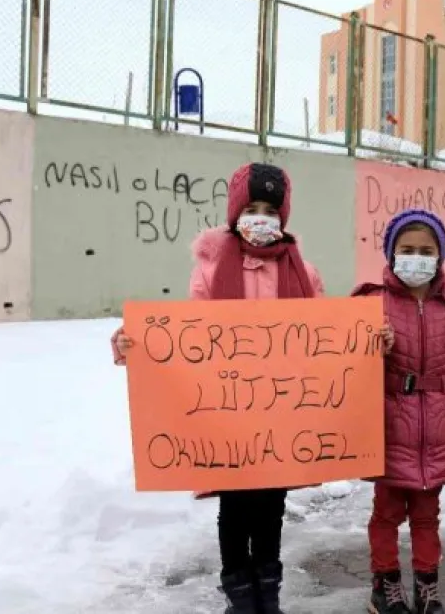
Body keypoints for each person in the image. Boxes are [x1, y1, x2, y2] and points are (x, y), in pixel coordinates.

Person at [110, 162, 325, 614]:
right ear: (235, 213)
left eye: (270, 209)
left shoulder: (305, 273)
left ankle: (268, 591)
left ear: (283, 216)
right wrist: (139, 345)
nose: (261, 218)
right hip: (228, 417)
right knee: (235, 509)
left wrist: (366, 344)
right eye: (252, 208)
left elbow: (325, 340)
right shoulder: (209, 271)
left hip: (282, 415)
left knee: (271, 507)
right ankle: (240, 595)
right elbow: (191, 340)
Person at [352, 208, 445, 614]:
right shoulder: (370, 301)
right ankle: (384, 586)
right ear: (390, 253)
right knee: (385, 514)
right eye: (407, 250)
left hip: (437, 432)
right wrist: (373, 350)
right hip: (387, 431)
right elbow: (348, 373)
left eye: (426, 250)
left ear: (440, 255)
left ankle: (427, 588)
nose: (416, 258)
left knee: (427, 516)